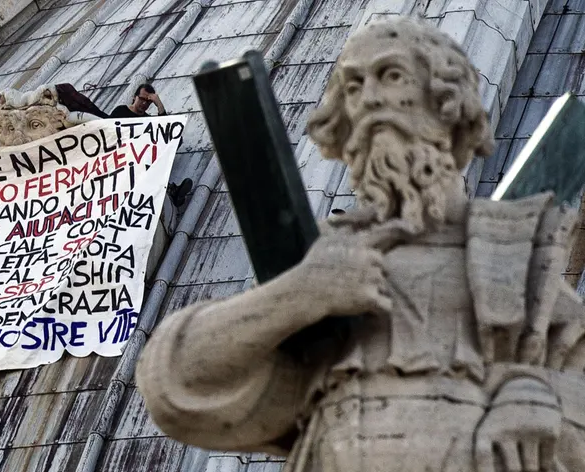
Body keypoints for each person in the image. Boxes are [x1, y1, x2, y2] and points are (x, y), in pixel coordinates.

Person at [136, 17, 585, 472]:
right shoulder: (321, 259)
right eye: (353, 87)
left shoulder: (509, 252)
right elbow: (173, 382)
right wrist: (299, 294)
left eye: (391, 76)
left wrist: (544, 400)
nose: (369, 100)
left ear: (447, 104)